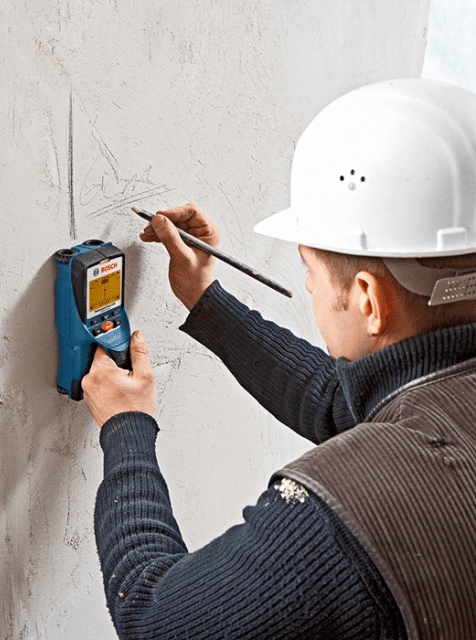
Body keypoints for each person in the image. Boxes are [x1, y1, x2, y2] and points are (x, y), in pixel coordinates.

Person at [82, 78, 476, 639]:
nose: (310, 287)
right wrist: (206, 300)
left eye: (311, 272)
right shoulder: (443, 405)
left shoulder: (345, 518)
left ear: (369, 299)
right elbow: (345, 403)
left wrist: (126, 427)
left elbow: (153, 620)